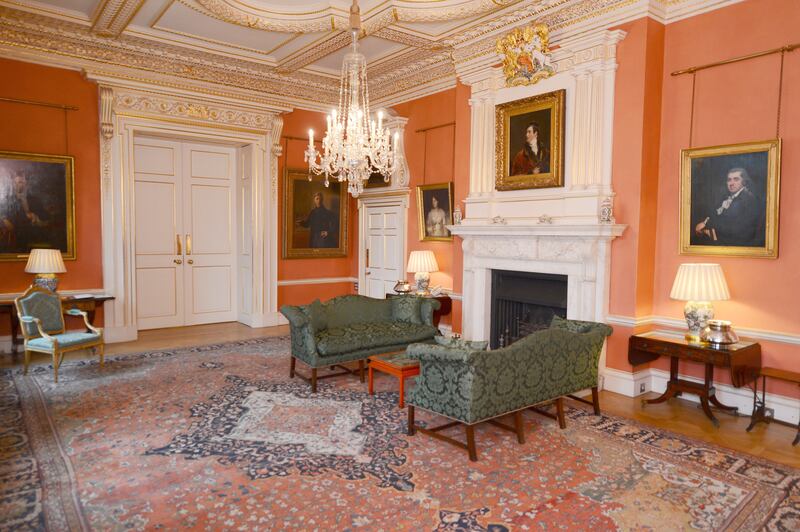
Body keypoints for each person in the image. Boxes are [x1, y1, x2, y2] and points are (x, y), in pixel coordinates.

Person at [694, 167, 764, 247]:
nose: (731, 183)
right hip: (723, 237)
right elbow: (714, 213)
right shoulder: (726, 197)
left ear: (744, 182)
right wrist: (704, 222)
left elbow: (735, 228)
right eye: (729, 180)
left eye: (736, 179)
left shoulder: (748, 199)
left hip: (736, 243)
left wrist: (707, 228)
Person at [0, 171, 49, 252]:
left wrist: (37, 219)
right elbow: (8, 220)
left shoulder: (35, 200)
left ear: (25, 183)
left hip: (35, 236)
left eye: (20, 182)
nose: (16, 185)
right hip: (17, 238)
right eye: (14, 183)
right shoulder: (7, 201)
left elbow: (46, 218)